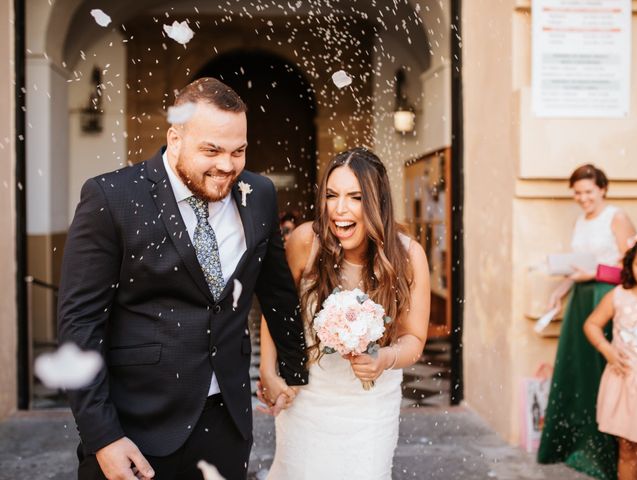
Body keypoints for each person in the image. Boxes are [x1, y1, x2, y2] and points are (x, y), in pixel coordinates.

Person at [57, 77, 308, 480]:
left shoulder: (258, 194)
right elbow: (79, 326)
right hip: (137, 428)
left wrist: (292, 372)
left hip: (227, 424)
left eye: (238, 151)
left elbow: (276, 291)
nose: (227, 165)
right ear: (175, 139)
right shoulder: (112, 198)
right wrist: (103, 437)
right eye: (211, 150)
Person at [258, 147, 431, 479]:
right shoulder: (305, 241)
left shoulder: (408, 256)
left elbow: (414, 339)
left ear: (377, 202)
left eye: (355, 197)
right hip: (308, 403)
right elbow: (277, 310)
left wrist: (385, 358)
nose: (339, 209)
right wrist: (269, 370)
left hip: (370, 411)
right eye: (331, 195)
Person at [538, 164, 636, 479]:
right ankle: (582, 445)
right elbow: (576, 266)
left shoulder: (616, 217)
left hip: (606, 297)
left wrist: (594, 273)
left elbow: (629, 265)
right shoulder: (580, 221)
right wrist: (560, 291)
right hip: (582, 300)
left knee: (602, 371)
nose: (582, 198)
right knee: (580, 371)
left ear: (603, 189)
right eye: (577, 193)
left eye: (588, 192)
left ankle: (611, 453)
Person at [584, 241, 637, 480]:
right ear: (630, 265)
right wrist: (606, 349)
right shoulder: (618, 296)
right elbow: (592, 324)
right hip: (625, 383)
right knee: (628, 449)